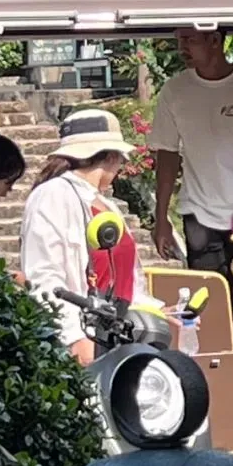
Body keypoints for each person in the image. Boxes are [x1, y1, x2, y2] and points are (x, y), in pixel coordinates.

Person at [150, 29, 233, 318]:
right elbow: (167, 154)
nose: (182, 48)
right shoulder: (174, 91)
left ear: (215, 40)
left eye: (190, 40)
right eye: (179, 40)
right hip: (199, 214)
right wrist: (161, 218)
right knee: (212, 311)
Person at [21, 110, 147, 366]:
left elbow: (126, 276)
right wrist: (73, 337)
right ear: (111, 156)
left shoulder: (105, 204)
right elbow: (43, 276)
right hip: (85, 341)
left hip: (120, 336)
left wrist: (153, 310)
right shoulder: (53, 195)